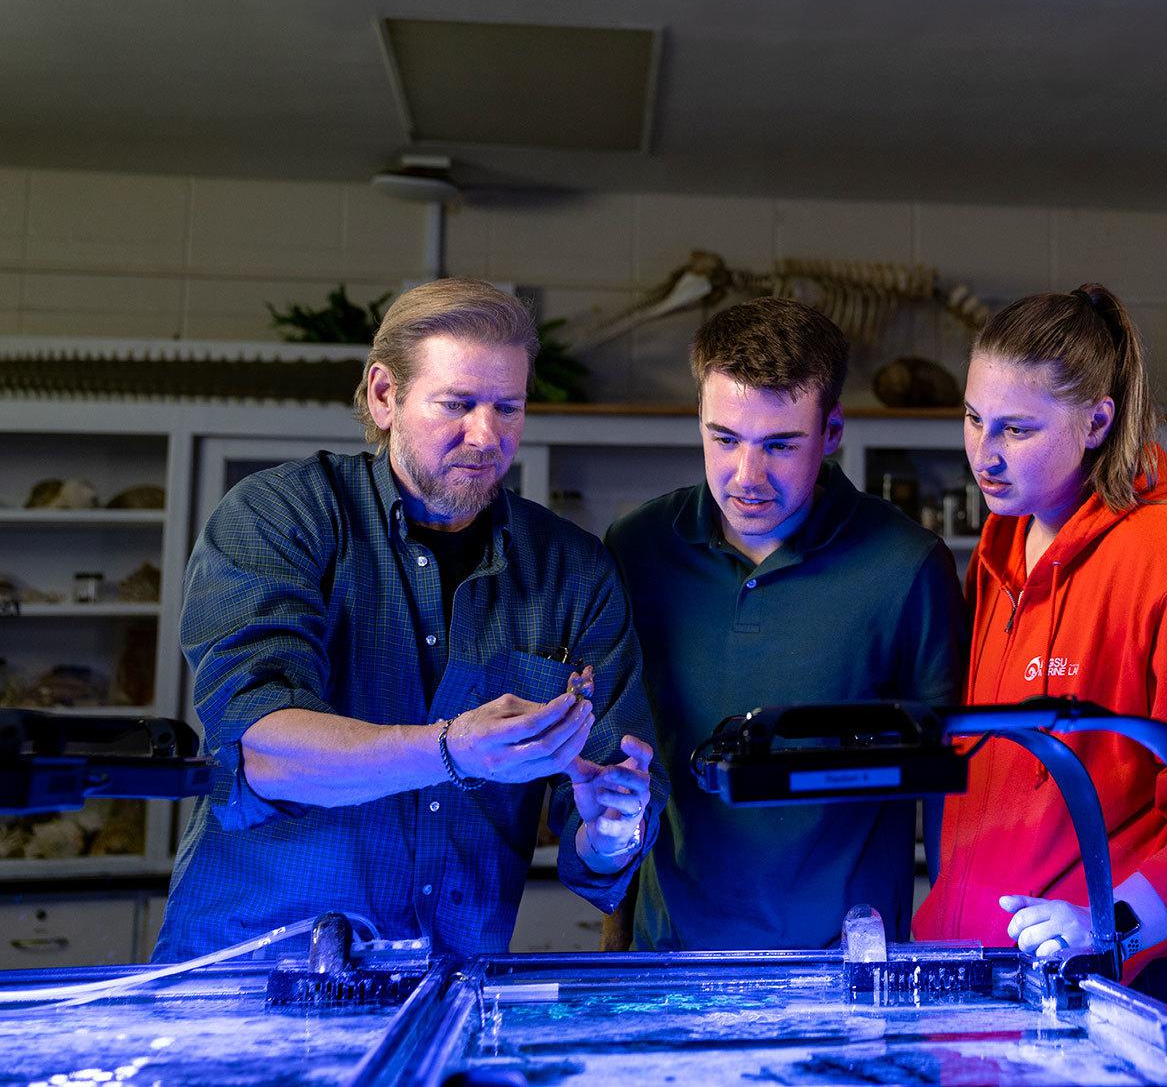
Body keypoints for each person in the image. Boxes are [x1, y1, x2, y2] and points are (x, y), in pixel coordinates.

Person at [156, 279, 659, 961]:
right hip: (248, 978)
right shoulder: (279, 517)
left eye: (507, 408)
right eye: (458, 403)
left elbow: (598, 850)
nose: (487, 436)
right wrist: (452, 749)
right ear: (384, 395)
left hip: (446, 988)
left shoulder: (572, 571)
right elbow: (264, 751)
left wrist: (609, 831)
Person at [913, 284, 1167, 1052]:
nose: (985, 453)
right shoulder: (1000, 551)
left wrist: (1116, 923)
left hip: (1159, 992)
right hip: (1012, 996)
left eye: (1019, 428)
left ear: (1098, 420)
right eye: (973, 419)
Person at [604, 297, 962, 950]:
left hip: (850, 971)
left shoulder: (907, 568)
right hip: (672, 959)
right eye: (725, 439)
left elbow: (949, 793)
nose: (747, 477)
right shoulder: (636, 549)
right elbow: (618, 760)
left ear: (831, 433)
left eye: (779, 445)